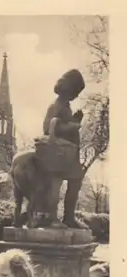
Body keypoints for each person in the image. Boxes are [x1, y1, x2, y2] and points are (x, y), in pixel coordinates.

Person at [42, 69, 86, 228]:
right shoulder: (56, 104)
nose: (76, 95)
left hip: (69, 153)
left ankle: (69, 217)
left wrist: (75, 120)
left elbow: (64, 124)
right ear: (69, 88)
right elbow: (48, 127)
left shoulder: (66, 106)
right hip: (58, 153)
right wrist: (71, 125)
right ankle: (51, 218)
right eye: (75, 91)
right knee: (55, 183)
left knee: (75, 181)